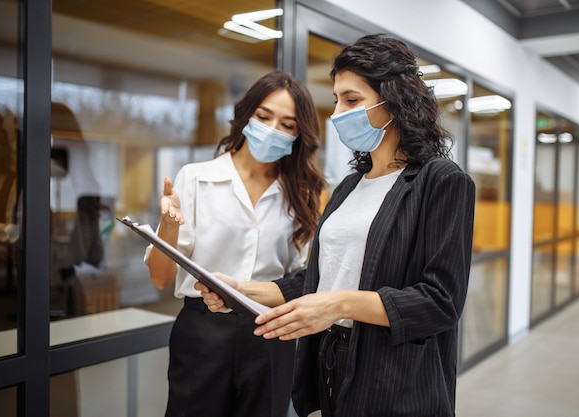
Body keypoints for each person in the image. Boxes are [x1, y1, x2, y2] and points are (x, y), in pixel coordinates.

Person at [197, 34, 476, 417]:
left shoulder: (441, 180)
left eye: (352, 100)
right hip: (333, 360)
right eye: (337, 100)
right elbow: (318, 277)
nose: (338, 113)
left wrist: (339, 304)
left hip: (395, 375)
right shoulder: (349, 187)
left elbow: (440, 302)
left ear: (393, 99)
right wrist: (240, 290)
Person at [145, 70, 324, 417]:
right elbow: (160, 279)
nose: (273, 129)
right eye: (264, 116)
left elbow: (300, 278)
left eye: (288, 124)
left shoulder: (301, 193)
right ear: (246, 115)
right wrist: (168, 225)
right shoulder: (195, 177)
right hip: (203, 332)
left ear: (299, 134)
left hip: (272, 328)